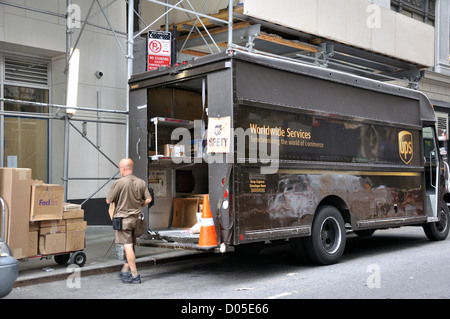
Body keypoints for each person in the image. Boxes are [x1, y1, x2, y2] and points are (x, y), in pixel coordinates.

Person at [106, 158, 152, 284]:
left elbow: (108, 200)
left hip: (124, 220)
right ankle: (125, 269)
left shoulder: (119, 183)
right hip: (136, 220)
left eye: (120, 168)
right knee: (130, 246)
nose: (120, 171)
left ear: (124, 169)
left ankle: (135, 275)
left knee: (128, 247)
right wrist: (139, 205)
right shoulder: (141, 182)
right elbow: (148, 199)